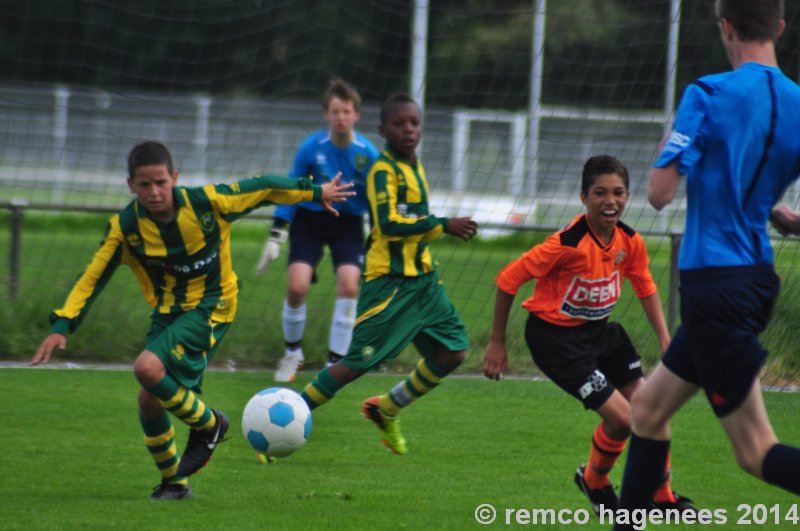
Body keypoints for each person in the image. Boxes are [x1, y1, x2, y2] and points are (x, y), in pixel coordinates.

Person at [30, 141, 353, 500]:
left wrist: (315, 190)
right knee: (149, 399)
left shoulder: (207, 203)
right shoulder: (127, 227)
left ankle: (210, 425)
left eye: (160, 183)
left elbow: (263, 187)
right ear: (130, 185)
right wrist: (63, 324)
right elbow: (93, 275)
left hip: (213, 305)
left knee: (147, 369)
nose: (154, 192)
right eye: (144, 185)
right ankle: (175, 484)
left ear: (174, 178)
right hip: (169, 312)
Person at [615, 1, 800, 525]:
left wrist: (676, 147)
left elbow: (657, 192)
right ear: (779, 28)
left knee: (756, 452)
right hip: (753, 280)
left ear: (724, 26)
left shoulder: (708, 93)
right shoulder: (798, 103)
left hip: (715, 283)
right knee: (648, 412)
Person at [482, 155, 692, 516]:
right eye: (600, 193)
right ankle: (594, 481)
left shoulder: (630, 241)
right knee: (625, 419)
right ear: (584, 198)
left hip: (602, 334)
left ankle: (662, 496)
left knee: (651, 410)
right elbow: (507, 279)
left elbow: (644, 285)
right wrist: (497, 342)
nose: (610, 200)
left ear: (627, 196)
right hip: (556, 342)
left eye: (618, 192)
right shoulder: (565, 243)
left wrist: (664, 339)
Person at [300, 93, 478, 455]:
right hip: (390, 284)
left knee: (453, 352)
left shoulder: (415, 167)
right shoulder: (384, 171)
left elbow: (413, 221)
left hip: (424, 281)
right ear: (383, 130)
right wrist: (444, 224)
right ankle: (289, 415)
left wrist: (435, 228)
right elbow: (390, 224)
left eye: (414, 122)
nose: (408, 129)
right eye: (399, 124)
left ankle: (387, 407)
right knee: (353, 365)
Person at [257, 78, 380, 382]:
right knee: (297, 286)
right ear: (326, 114)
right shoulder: (311, 148)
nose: (341, 117)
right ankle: (292, 353)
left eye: (347, 111)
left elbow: (378, 200)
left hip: (348, 224)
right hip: (309, 221)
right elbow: (291, 190)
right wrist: (276, 233)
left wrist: (380, 237)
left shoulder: (369, 154)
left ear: (356, 115)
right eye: (335, 111)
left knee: (350, 285)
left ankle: (335, 361)